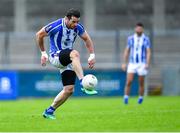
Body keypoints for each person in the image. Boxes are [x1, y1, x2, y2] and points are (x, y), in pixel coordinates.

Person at [36, 8, 97, 119]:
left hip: (68, 58)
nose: (76, 24)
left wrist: (92, 55)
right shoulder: (56, 26)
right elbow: (39, 35)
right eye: (73, 21)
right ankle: (83, 82)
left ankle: (49, 111)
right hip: (55, 56)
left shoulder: (78, 27)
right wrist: (43, 53)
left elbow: (87, 39)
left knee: (69, 90)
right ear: (67, 19)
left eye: (77, 22)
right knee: (75, 54)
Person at [121, 22, 151, 104]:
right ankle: (126, 98)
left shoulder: (146, 39)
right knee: (129, 81)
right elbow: (127, 51)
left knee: (141, 82)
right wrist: (124, 63)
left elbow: (148, 51)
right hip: (132, 63)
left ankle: (141, 97)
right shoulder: (131, 38)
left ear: (142, 30)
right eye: (137, 28)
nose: (139, 30)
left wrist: (147, 63)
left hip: (142, 63)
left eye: (140, 29)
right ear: (135, 29)